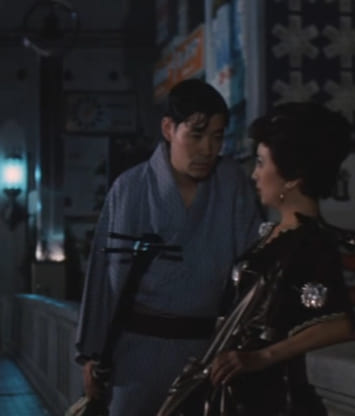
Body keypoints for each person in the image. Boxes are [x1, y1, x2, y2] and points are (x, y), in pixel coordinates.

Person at [74, 78, 263, 416]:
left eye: (217, 137)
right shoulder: (130, 188)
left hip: (207, 353)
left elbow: (252, 270)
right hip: (136, 353)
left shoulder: (231, 183)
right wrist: (91, 353)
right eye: (196, 135)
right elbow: (103, 277)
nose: (208, 149)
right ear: (168, 129)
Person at [206, 102, 355, 415]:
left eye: (261, 163)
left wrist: (263, 356)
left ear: (292, 178)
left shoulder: (311, 242)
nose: (254, 174)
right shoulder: (273, 235)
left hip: (275, 401)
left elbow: (339, 324)